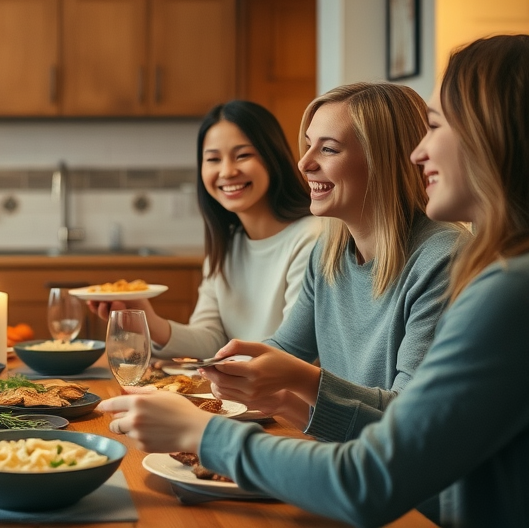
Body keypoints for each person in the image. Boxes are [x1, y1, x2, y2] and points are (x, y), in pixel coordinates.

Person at [101, 34, 529, 527]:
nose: (419, 152)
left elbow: (376, 471)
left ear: (491, 135)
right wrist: (271, 389)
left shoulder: (491, 281)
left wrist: (202, 433)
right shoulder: (332, 251)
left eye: (435, 127)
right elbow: (290, 360)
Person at [192, 83, 467, 439]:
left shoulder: (443, 258)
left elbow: (409, 420)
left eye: (328, 149)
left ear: (383, 160)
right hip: (346, 456)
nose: (304, 163)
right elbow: (286, 350)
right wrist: (233, 372)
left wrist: (300, 379)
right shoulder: (328, 252)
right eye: (308, 145)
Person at [89, 101, 319, 360]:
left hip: (276, 386)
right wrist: (146, 320)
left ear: (273, 157)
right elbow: (211, 340)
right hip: (236, 384)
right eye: (213, 159)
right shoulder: (227, 245)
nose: (227, 171)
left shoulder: (310, 238)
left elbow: (292, 353)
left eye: (243, 155)